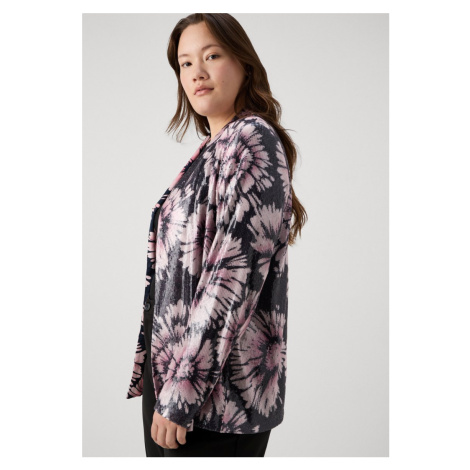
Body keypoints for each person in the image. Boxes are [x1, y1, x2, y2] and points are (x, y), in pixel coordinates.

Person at [126, 13, 307, 457]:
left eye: (211, 56)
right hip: (174, 377)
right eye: (186, 63)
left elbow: (232, 278)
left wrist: (181, 392)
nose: (197, 73)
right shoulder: (210, 151)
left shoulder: (251, 139)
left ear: (244, 63)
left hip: (215, 397)